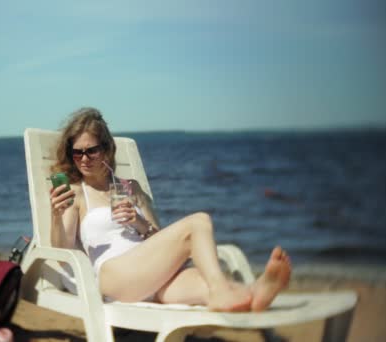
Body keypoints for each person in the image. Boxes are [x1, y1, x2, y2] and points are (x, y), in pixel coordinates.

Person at [49, 107, 292, 312]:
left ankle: (256, 292)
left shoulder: (130, 188)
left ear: (106, 150)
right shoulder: (76, 193)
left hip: (152, 277)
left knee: (207, 284)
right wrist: (55, 215)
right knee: (198, 222)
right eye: (77, 152)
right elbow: (62, 254)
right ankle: (221, 291)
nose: (84, 158)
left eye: (91, 150)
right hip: (115, 276)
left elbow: (159, 239)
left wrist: (139, 223)